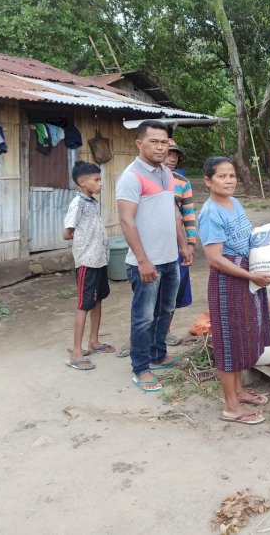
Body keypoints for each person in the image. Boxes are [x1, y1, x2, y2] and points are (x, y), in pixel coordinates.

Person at [116, 120, 193, 393]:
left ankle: (158, 354)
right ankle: (141, 368)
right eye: (154, 142)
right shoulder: (131, 176)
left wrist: (183, 245)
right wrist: (143, 260)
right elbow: (126, 221)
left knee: (166, 310)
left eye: (164, 142)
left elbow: (172, 211)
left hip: (170, 258)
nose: (161, 147)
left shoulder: (166, 174)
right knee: (143, 317)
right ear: (139, 144)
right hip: (145, 262)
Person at [198, 156, 270, 425]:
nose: (229, 180)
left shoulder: (235, 203)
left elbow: (248, 238)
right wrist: (250, 275)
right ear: (208, 181)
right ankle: (231, 406)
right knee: (229, 342)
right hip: (227, 282)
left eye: (232, 175)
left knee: (244, 334)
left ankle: (239, 391)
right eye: (222, 176)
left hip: (246, 276)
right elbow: (215, 259)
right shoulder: (210, 213)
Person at [62, 161, 114, 370]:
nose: (101, 184)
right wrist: (83, 240)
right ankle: (76, 352)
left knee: (98, 299)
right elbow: (67, 232)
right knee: (84, 304)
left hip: (100, 259)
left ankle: (94, 341)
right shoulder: (78, 203)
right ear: (82, 182)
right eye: (97, 180)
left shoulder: (91, 201)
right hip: (86, 261)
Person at [163, 138, 195, 346]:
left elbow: (189, 215)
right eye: (169, 154)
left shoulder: (182, 183)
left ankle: (165, 331)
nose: (172, 159)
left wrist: (190, 244)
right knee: (149, 291)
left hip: (178, 245)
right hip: (153, 245)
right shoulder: (144, 180)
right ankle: (141, 335)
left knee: (174, 290)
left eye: (175, 155)